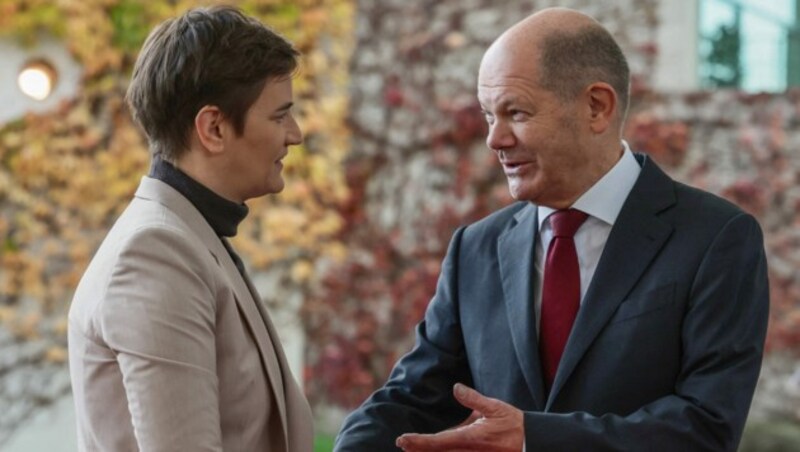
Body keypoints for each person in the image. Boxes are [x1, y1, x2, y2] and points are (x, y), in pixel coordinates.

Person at [335, 7, 769, 452]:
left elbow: (707, 426)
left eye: (516, 113)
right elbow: (410, 400)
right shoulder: (476, 249)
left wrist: (534, 438)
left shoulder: (716, 238)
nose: (494, 139)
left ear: (596, 107)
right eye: (488, 116)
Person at [67, 6, 312, 451]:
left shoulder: (186, 236)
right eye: (279, 116)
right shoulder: (156, 252)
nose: (294, 134)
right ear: (213, 127)